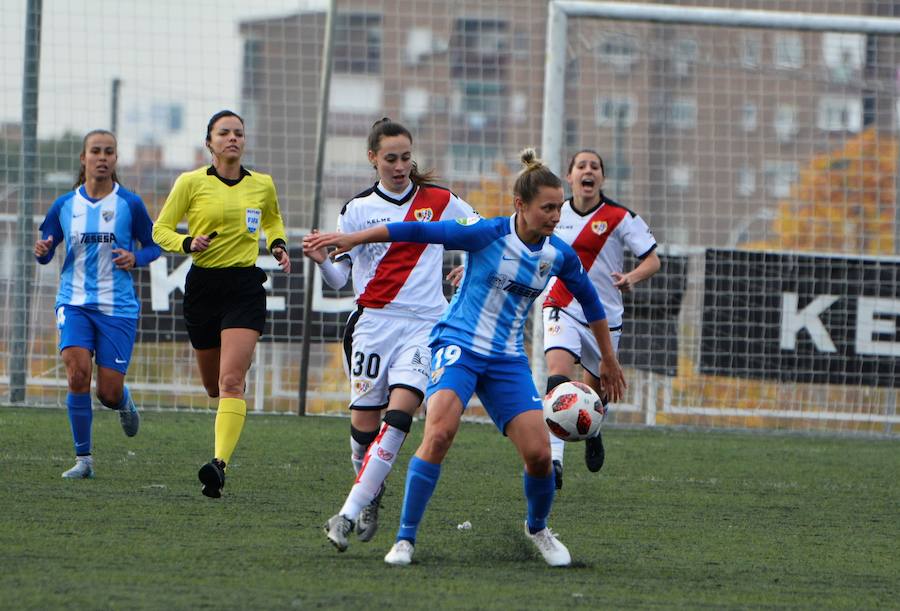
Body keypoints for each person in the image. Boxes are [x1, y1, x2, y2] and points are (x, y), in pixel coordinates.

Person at [305, 149, 627, 567]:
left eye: (557, 207)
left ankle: (538, 528)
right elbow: (414, 232)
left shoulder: (558, 255)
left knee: (540, 455)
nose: (554, 215)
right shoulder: (486, 232)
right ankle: (405, 539)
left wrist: (608, 360)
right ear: (521, 206)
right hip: (457, 346)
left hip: (506, 360)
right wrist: (352, 239)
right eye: (547, 208)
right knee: (438, 433)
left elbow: (591, 302)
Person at [303, 117, 476, 552]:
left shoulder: (440, 200)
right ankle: (370, 491)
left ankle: (346, 510)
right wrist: (322, 259)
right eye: (391, 158)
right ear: (373, 159)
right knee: (364, 429)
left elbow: (484, 235)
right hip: (373, 326)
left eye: (405, 157)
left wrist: (470, 266)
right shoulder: (357, 209)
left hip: (425, 326)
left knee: (399, 418)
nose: (400, 166)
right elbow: (339, 281)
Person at [152, 110, 291, 498]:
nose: (233, 138)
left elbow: (273, 221)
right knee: (213, 386)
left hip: (244, 286)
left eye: (239, 133)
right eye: (224, 133)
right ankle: (220, 440)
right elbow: (159, 229)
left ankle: (218, 466)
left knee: (233, 381)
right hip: (202, 287)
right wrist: (186, 243)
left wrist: (277, 245)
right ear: (209, 142)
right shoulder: (190, 182)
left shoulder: (262, 184)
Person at [34, 129, 161, 479]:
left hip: (117, 307)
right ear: (83, 158)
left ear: (115, 159)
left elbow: (154, 245)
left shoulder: (129, 204)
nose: (102, 157)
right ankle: (84, 460)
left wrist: (135, 257)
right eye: (95, 151)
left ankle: (122, 400)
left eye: (109, 152)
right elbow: (46, 248)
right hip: (73, 302)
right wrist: (42, 251)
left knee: (107, 392)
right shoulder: (64, 205)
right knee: (76, 374)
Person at [542, 149, 659, 489]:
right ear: (570, 176)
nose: (588, 171)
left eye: (594, 166)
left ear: (602, 179)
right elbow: (520, 242)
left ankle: (592, 427)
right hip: (560, 304)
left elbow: (653, 260)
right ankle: (555, 461)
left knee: (596, 393)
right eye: (581, 166)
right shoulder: (554, 213)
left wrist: (631, 278)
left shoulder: (620, 216)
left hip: (603, 317)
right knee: (557, 379)